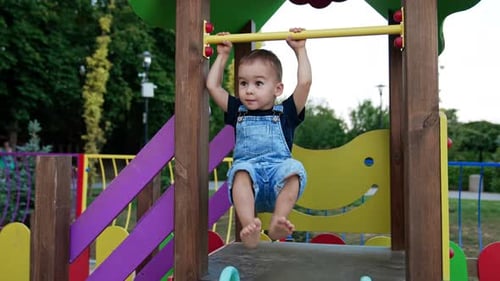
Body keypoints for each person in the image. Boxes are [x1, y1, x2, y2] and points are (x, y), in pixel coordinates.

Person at [206, 28, 312, 248]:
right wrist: (223, 56)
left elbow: (305, 83)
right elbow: (212, 86)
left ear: (277, 88)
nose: (249, 90)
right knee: (240, 172)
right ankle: (250, 227)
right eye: (243, 83)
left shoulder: (287, 113)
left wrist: (300, 50)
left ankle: (277, 220)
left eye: (258, 83)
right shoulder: (237, 110)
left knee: (294, 170)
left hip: (277, 179)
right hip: (250, 183)